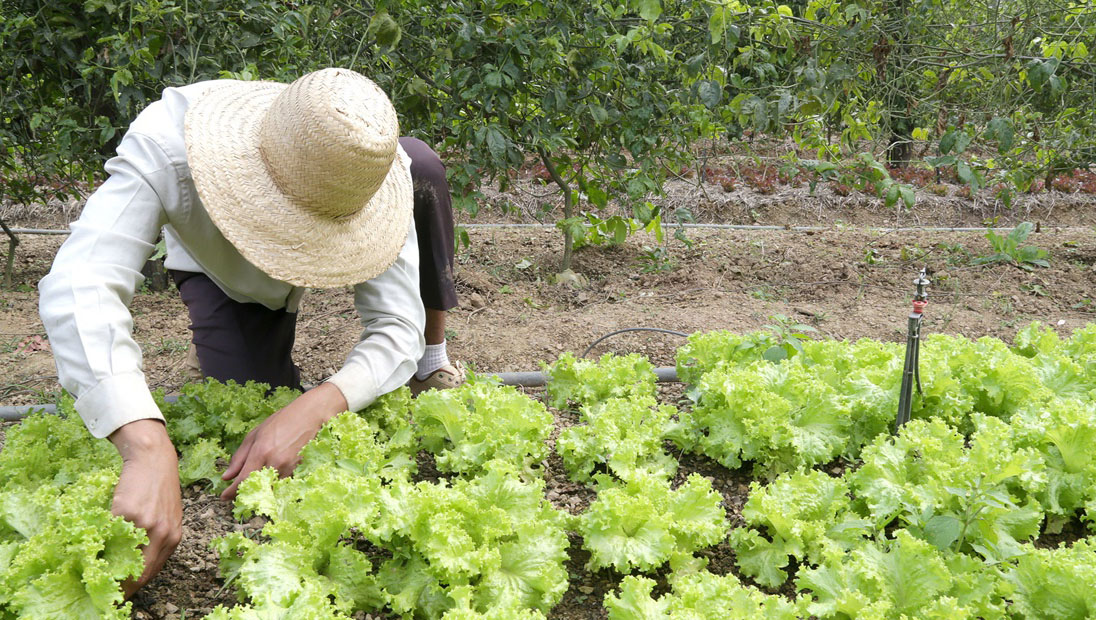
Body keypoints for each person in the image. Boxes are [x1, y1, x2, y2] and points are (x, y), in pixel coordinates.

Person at [37, 68, 463, 596]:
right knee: (253, 398)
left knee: (423, 162)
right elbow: (82, 282)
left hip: (383, 186)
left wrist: (319, 405)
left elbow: (397, 326)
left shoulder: (376, 177)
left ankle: (435, 361)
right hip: (223, 271)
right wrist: (145, 443)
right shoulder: (168, 143)